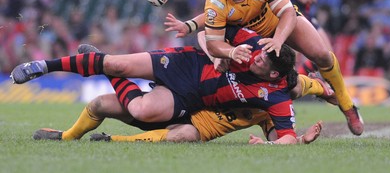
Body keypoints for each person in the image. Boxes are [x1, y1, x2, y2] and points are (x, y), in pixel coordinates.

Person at [164, 0, 363, 136]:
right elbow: (211, 18)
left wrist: (278, 40)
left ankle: (346, 104)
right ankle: (318, 88)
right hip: (249, 40)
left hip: (278, 26)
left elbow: (288, 13)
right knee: (289, 89)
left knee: (322, 55)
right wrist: (192, 29)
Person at [11, 25, 314, 144]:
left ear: (274, 76)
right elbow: (208, 30)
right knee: (116, 62)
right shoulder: (251, 42)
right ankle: (42, 67)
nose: (256, 58)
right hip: (186, 62)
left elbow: (285, 133)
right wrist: (215, 51)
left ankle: (101, 80)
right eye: (259, 53)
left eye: (263, 62)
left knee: (127, 107)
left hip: (189, 97)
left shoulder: (275, 98)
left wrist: (289, 141)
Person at [32, 84, 323, 145]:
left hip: (198, 129)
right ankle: (67, 136)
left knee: (185, 135)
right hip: (177, 105)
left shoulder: (274, 107)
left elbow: (278, 139)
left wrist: (299, 140)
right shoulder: (237, 73)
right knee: (100, 104)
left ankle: (111, 140)